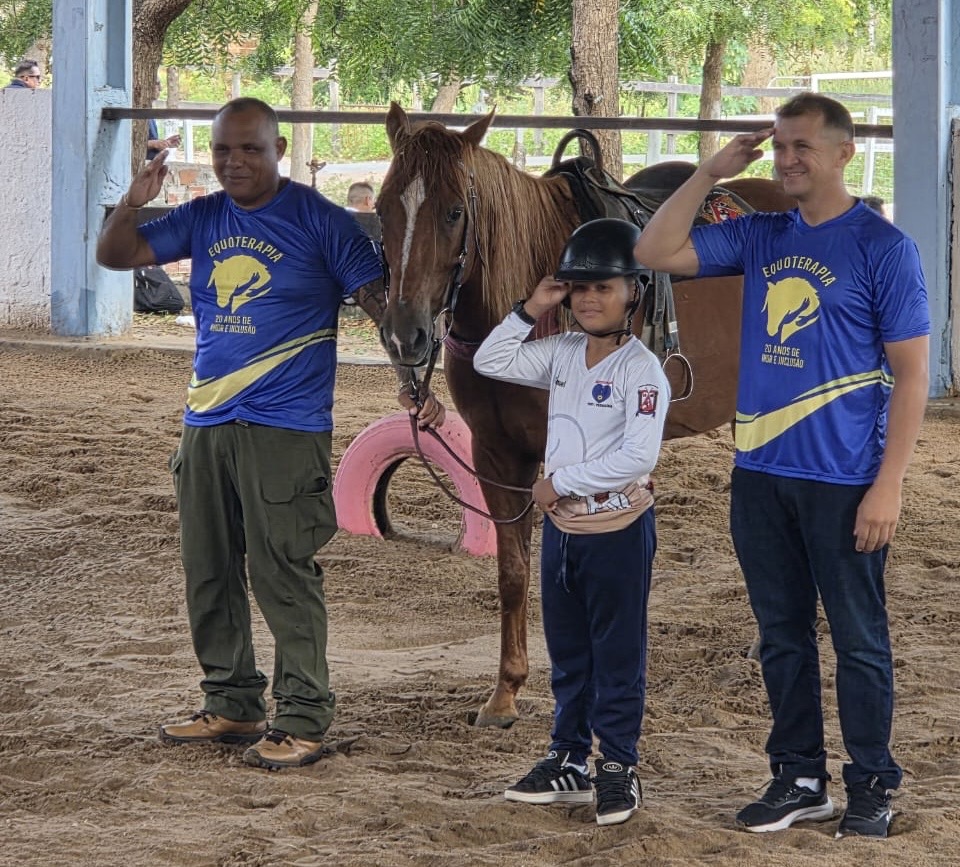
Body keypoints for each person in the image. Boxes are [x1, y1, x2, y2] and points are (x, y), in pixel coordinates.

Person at [96, 97, 444, 771]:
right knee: (210, 568)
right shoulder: (203, 216)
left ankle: (305, 714)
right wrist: (133, 200)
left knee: (284, 571)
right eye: (224, 150)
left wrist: (415, 383)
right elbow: (117, 254)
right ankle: (232, 700)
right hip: (206, 421)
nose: (234, 162)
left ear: (279, 150)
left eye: (249, 149)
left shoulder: (320, 219)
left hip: (286, 428)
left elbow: (380, 304)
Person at [634, 92, 930, 839]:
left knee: (859, 637)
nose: (789, 159)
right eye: (780, 146)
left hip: (844, 480)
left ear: (841, 153)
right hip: (760, 473)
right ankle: (798, 775)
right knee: (782, 632)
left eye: (802, 146)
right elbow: (653, 251)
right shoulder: (761, 234)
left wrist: (889, 482)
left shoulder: (882, 247)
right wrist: (709, 172)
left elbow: (914, 374)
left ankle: (871, 783)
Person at [474, 218, 670, 827]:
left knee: (617, 652)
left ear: (632, 292)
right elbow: (490, 358)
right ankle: (567, 756)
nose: (588, 298)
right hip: (564, 534)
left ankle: (618, 764)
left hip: (615, 531)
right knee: (569, 651)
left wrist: (560, 483)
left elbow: (639, 455)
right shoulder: (559, 353)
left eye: (602, 287)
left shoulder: (643, 372)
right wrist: (530, 307)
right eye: (578, 286)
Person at [147, 78, 181, 161]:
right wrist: (153, 144)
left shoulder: (149, 111)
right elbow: (127, 143)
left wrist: (165, 143)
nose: (160, 89)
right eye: (157, 83)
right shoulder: (136, 111)